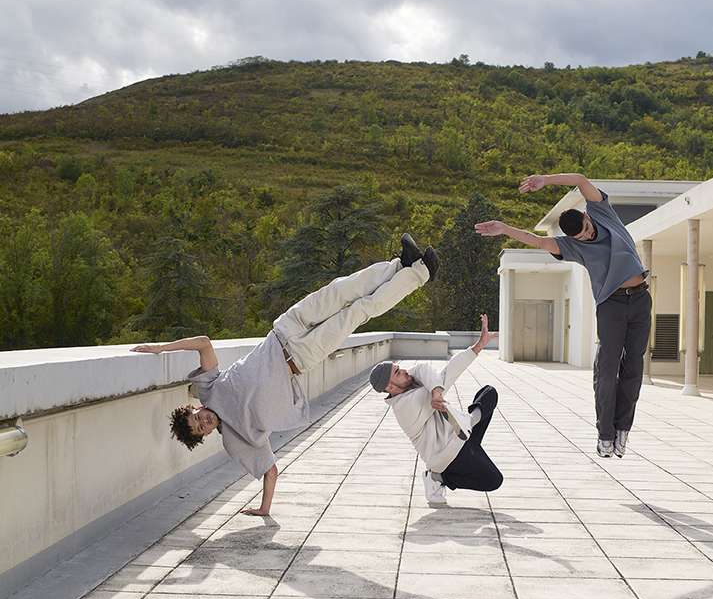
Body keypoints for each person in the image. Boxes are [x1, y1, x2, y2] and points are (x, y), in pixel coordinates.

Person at [132, 235, 440, 514]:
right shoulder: (237, 440)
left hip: (284, 330)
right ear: (205, 436)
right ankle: (420, 274)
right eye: (200, 429)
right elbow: (269, 470)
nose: (203, 422)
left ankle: (402, 264)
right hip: (302, 357)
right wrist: (265, 509)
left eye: (196, 418)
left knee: (340, 289)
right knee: (358, 310)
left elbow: (203, 344)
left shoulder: (208, 388)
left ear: (195, 408)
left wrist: (161, 348)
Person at [475, 173, 651, 458]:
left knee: (633, 366)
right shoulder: (571, 245)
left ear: (587, 216)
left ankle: (622, 429)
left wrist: (545, 179)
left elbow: (580, 180)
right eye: (582, 237)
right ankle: (605, 434)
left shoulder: (601, 212)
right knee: (607, 369)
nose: (588, 236)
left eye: (587, 230)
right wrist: (505, 228)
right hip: (611, 305)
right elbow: (538, 241)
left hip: (641, 299)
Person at [369, 314, 503, 503]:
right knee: (493, 480)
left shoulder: (412, 384)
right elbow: (444, 374)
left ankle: (469, 421)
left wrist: (435, 390)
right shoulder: (405, 406)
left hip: (461, 435)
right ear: (389, 388)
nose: (405, 371)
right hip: (447, 456)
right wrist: (434, 390)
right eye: (398, 373)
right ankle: (437, 478)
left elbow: (424, 369)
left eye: (400, 368)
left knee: (489, 392)